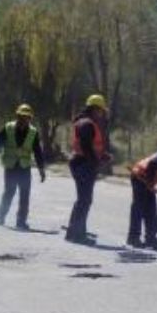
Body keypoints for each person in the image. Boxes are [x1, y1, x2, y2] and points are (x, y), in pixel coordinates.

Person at [0, 104, 46, 230]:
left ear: (30, 119)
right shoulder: (8, 128)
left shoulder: (33, 132)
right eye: (22, 117)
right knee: (9, 192)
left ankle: (21, 221)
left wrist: (41, 170)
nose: (24, 120)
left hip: (24, 167)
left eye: (27, 117)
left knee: (24, 195)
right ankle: (1, 216)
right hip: (11, 166)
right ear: (17, 116)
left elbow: (38, 152)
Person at [65, 94, 111, 246]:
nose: (102, 114)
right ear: (95, 109)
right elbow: (85, 146)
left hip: (81, 163)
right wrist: (96, 161)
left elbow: (89, 146)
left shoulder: (84, 122)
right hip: (84, 164)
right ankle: (75, 234)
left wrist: (102, 155)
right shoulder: (87, 124)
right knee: (84, 200)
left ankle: (77, 232)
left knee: (83, 200)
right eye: (101, 110)